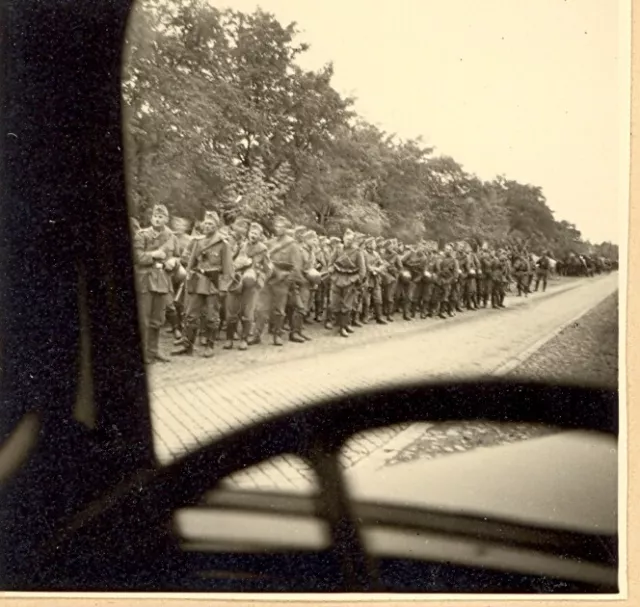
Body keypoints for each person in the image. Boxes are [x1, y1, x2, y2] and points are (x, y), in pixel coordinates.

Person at [172, 210, 233, 358]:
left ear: (217, 226)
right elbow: (190, 264)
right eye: (206, 223)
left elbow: (228, 269)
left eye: (211, 224)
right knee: (190, 314)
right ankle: (187, 345)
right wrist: (189, 279)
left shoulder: (223, 244)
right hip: (198, 281)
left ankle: (210, 345)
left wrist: (223, 287)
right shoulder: (197, 242)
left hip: (213, 283)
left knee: (212, 316)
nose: (207, 226)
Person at [133, 204, 179, 364]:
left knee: (157, 319)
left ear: (166, 219)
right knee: (144, 319)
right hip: (145, 281)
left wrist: (173, 261)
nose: (157, 219)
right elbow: (137, 257)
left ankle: (154, 351)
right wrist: (154, 255)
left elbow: (178, 257)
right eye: (155, 216)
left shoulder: (172, 237)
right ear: (151, 218)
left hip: (162, 281)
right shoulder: (141, 235)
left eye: (161, 217)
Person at [250, 215, 302, 347]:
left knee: (279, 310)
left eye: (281, 227)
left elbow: (296, 267)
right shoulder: (269, 243)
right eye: (277, 226)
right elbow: (262, 261)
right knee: (261, 309)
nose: (278, 229)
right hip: (268, 280)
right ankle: (256, 335)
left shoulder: (292, 245)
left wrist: (287, 281)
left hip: (282, 282)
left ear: (286, 228)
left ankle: (277, 335)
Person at [223, 222, 271, 351]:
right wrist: (236, 266)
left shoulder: (263, 249)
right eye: (251, 232)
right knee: (231, 311)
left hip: (251, 285)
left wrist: (259, 273)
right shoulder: (241, 245)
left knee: (247, 312)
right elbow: (230, 261)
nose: (253, 235)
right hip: (236, 280)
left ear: (260, 236)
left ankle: (244, 339)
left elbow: (269, 269)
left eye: (256, 233)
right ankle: (229, 339)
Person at [329, 228, 366, 338]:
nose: (348, 241)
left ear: (353, 240)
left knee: (347, 305)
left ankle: (343, 327)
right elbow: (331, 263)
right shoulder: (337, 249)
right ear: (343, 238)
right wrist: (331, 272)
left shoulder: (358, 251)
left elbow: (362, 269)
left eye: (351, 239)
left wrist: (357, 280)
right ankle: (339, 324)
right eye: (347, 238)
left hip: (350, 280)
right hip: (337, 279)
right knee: (334, 304)